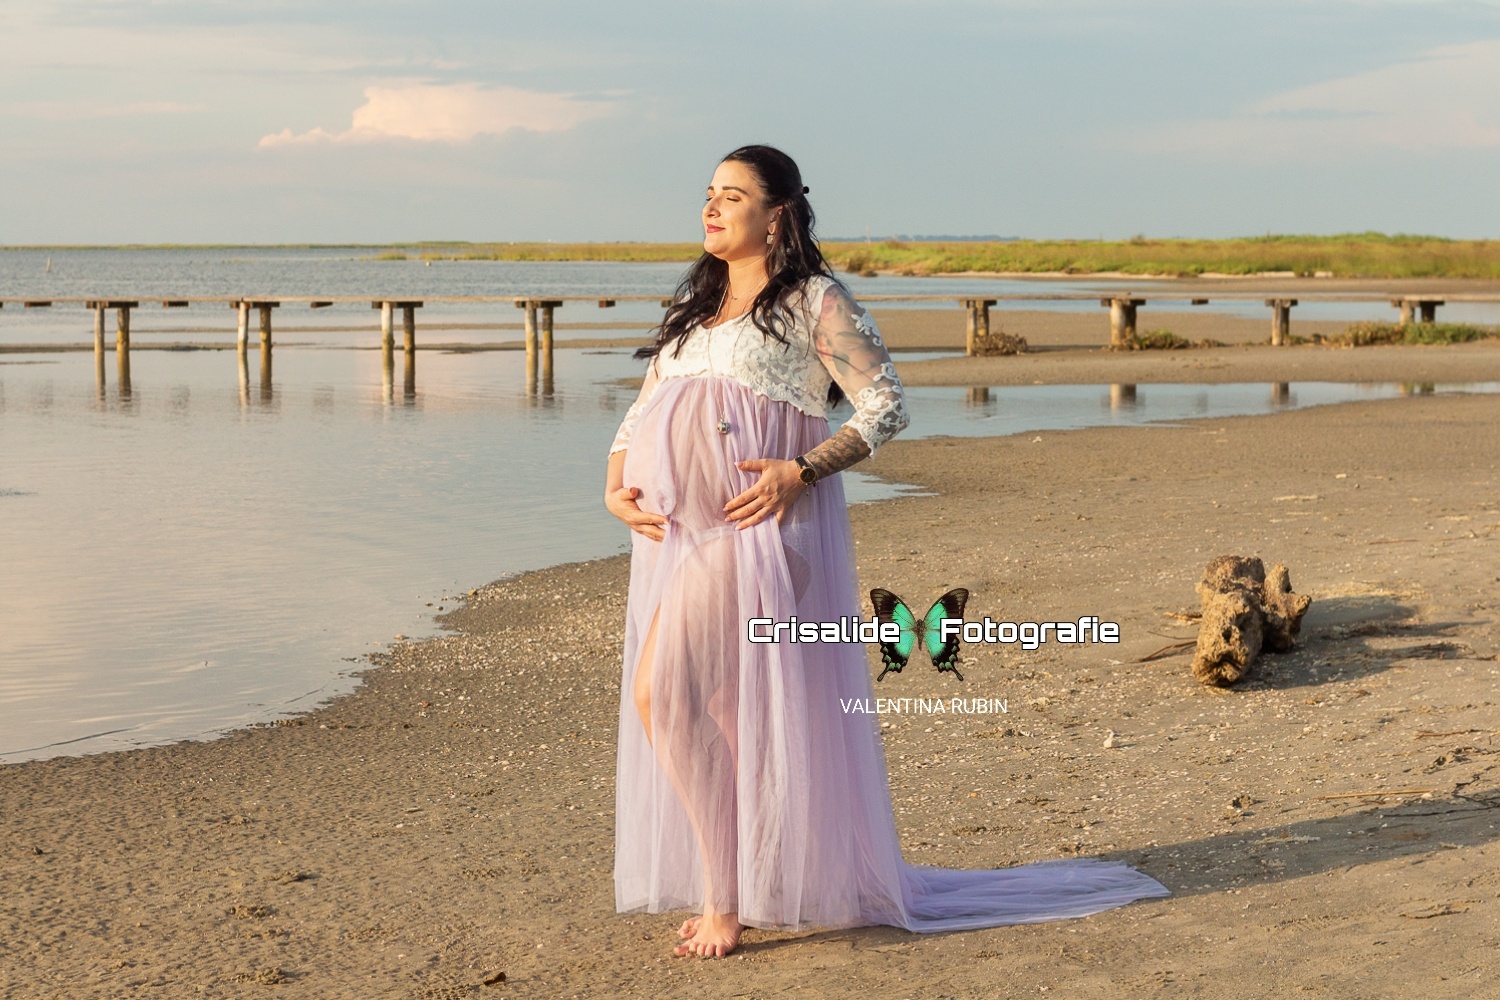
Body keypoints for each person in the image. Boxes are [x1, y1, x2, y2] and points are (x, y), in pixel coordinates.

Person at [604, 145, 1169, 959]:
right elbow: (644, 410)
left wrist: (801, 470)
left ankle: (724, 901)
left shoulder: (812, 302)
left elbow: (886, 406)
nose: (712, 207)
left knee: (665, 697)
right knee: (721, 713)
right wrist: (615, 484)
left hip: (764, 538)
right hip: (687, 538)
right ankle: (740, 884)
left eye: (733, 195)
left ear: (779, 215)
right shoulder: (697, 311)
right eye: (708, 193)